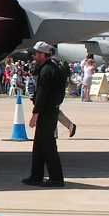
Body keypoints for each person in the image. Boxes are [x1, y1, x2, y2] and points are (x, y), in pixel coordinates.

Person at [22, 41, 65, 187]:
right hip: (50, 110)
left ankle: (56, 178)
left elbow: (42, 94)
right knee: (39, 145)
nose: (35, 56)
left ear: (43, 55)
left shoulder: (47, 71)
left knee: (48, 145)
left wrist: (36, 114)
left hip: (46, 112)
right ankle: (36, 176)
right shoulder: (53, 68)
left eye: (37, 53)